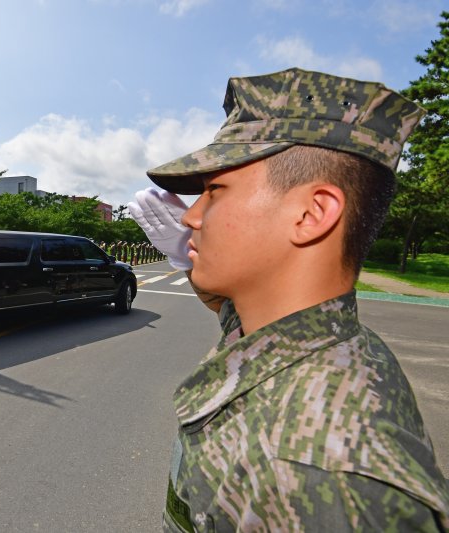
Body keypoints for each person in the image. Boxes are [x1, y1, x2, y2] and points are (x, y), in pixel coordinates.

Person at [128, 68, 449, 531]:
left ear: (312, 213)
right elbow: (232, 315)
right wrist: (190, 260)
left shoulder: (325, 472)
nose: (192, 215)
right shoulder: (319, 337)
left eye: (215, 191)